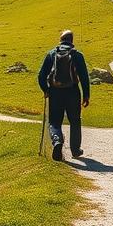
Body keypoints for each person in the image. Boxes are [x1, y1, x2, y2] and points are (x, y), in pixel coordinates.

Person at [37, 29, 91, 161]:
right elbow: (84, 77)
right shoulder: (77, 55)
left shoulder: (51, 54)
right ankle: (75, 150)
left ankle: (57, 142)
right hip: (73, 92)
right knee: (75, 120)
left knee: (54, 122)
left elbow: (41, 75)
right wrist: (86, 95)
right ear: (71, 40)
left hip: (55, 93)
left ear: (61, 40)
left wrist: (46, 90)